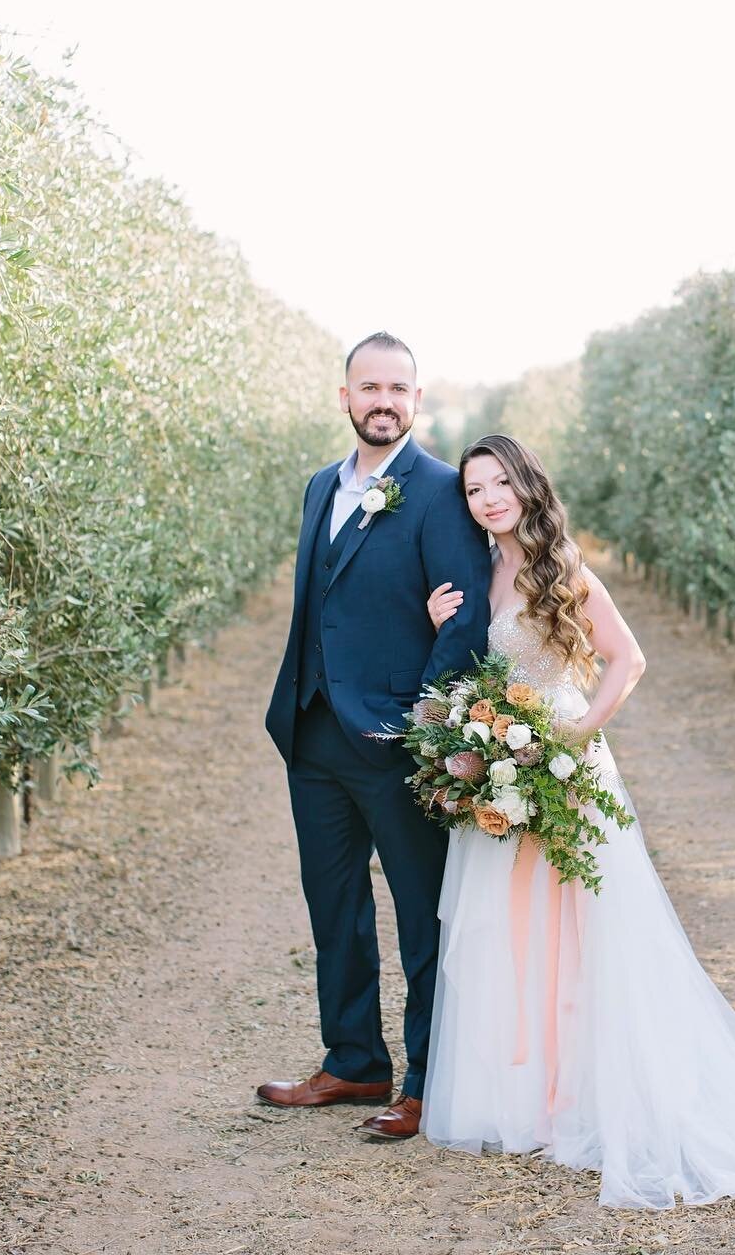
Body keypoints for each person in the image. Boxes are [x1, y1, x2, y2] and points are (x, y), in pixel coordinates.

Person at [419, 433, 735, 1208]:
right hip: (505, 770)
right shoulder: (482, 572)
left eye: (499, 484)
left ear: (526, 487)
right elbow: (470, 664)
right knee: (516, 929)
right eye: (473, 489)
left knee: (586, 932)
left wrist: (579, 730)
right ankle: (529, 1100)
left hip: (562, 767)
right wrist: (440, 629)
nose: (487, 499)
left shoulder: (566, 569)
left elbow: (628, 659)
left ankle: (590, 1096)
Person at [259, 333, 492, 1140]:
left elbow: (465, 625)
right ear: (345, 396)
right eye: (369, 387)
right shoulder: (320, 486)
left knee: (422, 915)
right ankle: (355, 1059)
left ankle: (430, 1079)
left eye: (398, 387)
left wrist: (430, 731)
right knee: (336, 908)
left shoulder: (436, 492)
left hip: (398, 744)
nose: (382, 400)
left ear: (417, 401)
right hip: (314, 733)